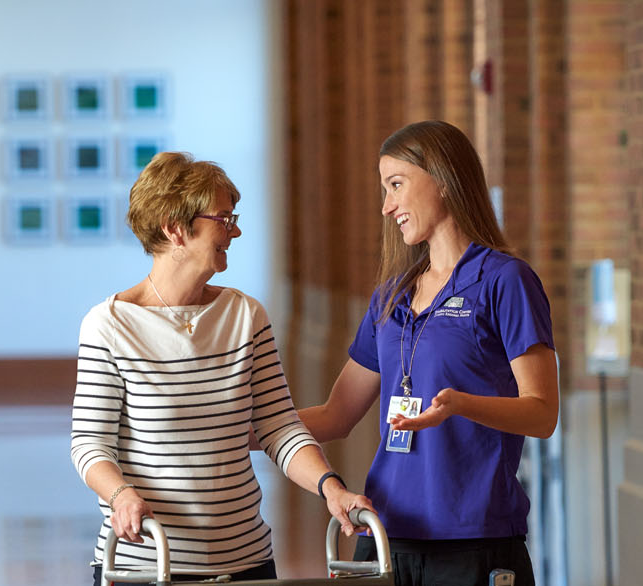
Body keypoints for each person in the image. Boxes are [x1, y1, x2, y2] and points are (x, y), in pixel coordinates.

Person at [71, 151, 374, 585]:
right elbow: (89, 443)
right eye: (225, 219)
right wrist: (121, 496)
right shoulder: (110, 325)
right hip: (148, 563)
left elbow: (279, 427)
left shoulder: (245, 315)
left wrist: (331, 487)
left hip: (245, 561)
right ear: (175, 228)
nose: (236, 230)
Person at [298, 120, 559, 586]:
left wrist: (458, 405)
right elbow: (338, 414)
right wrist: (249, 428)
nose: (387, 206)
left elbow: (542, 414)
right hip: (383, 535)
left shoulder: (505, 281)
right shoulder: (390, 296)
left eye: (396, 185)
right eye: (384, 189)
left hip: (472, 543)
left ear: (443, 178)